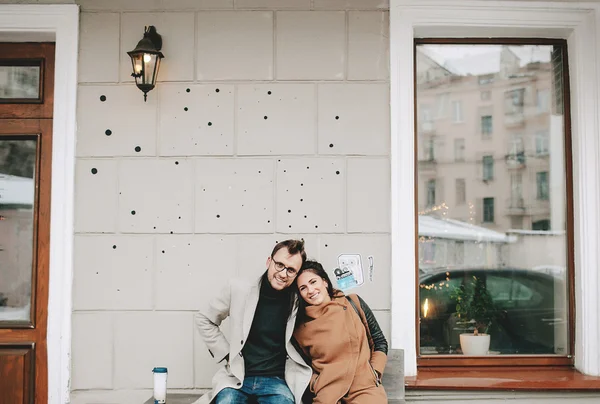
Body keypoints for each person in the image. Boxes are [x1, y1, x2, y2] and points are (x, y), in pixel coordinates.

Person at [195, 239, 312, 404]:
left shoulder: (298, 300)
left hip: (276, 380)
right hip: (237, 377)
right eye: (279, 265)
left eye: (291, 270)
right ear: (269, 261)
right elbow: (204, 318)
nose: (283, 274)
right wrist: (226, 353)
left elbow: (324, 299)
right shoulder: (239, 289)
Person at [293, 260, 388, 404]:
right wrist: (315, 384)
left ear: (324, 281)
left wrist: (374, 373)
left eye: (313, 282)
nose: (310, 290)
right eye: (303, 288)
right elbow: (302, 365)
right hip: (328, 393)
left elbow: (379, 341)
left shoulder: (353, 303)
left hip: (364, 389)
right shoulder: (300, 328)